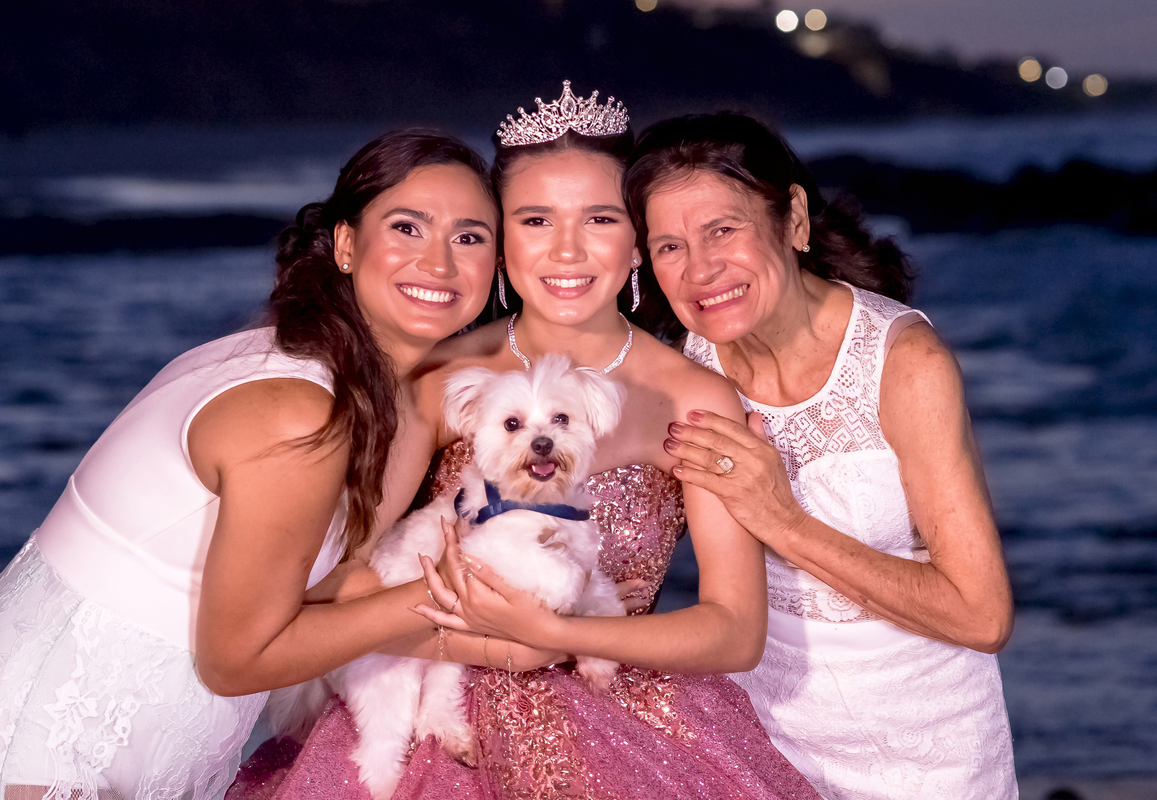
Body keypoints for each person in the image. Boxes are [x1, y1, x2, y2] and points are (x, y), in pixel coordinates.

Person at [230, 83, 819, 800]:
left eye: (599, 218)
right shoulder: (448, 377)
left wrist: (579, 634)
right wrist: (483, 634)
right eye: (535, 219)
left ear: (636, 241)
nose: (567, 249)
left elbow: (733, 631)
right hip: (435, 704)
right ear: (502, 242)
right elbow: (335, 576)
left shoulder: (690, 398)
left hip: (620, 717)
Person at [0, 130, 501, 800]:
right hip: (46, 752)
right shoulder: (299, 410)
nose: (439, 262)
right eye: (407, 227)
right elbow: (238, 657)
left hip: (130, 746)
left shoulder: (297, 361)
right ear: (346, 245)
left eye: (470, 237)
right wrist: (430, 599)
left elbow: (308, 573)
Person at [624, 112, 1018, 799]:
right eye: (669, 246)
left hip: (929, 757)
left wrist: (781, 519)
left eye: (723, 229)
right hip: (758, 741)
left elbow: (981, 616)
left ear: (794, 220)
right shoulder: (680, 371)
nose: (700, 269)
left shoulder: (904, 364)